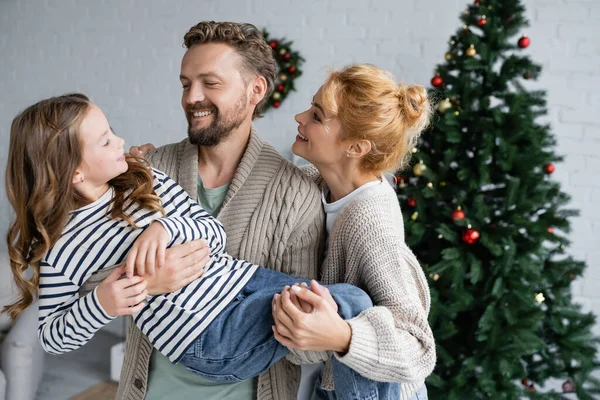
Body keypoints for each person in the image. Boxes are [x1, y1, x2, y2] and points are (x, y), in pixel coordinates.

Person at [5, 92, 405, 399]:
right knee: (352, 304)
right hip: (207, 336)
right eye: (106, 140)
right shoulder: (62, 248)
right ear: (75, 172)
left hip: (247, 283)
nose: (121, 141)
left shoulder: (146, 181)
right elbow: (51, 336)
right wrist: (103, 304)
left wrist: (163, 229)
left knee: (354, 303)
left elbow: (212, 234)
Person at [86, 21, 327, 400]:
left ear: (255, 90)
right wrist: (147, 284)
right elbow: (84, 277)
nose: (191, 97)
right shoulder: (148, 170)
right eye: (186, 84)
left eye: (210, 83)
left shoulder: (296, 196)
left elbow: (307, 345)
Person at [268, 64, 437, 400]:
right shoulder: (321, 185)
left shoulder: (370, 221)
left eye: (317, 116)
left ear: (356, 148)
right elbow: (265, 170)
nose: (299, 117)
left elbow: (419, 349)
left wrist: (344, 337)